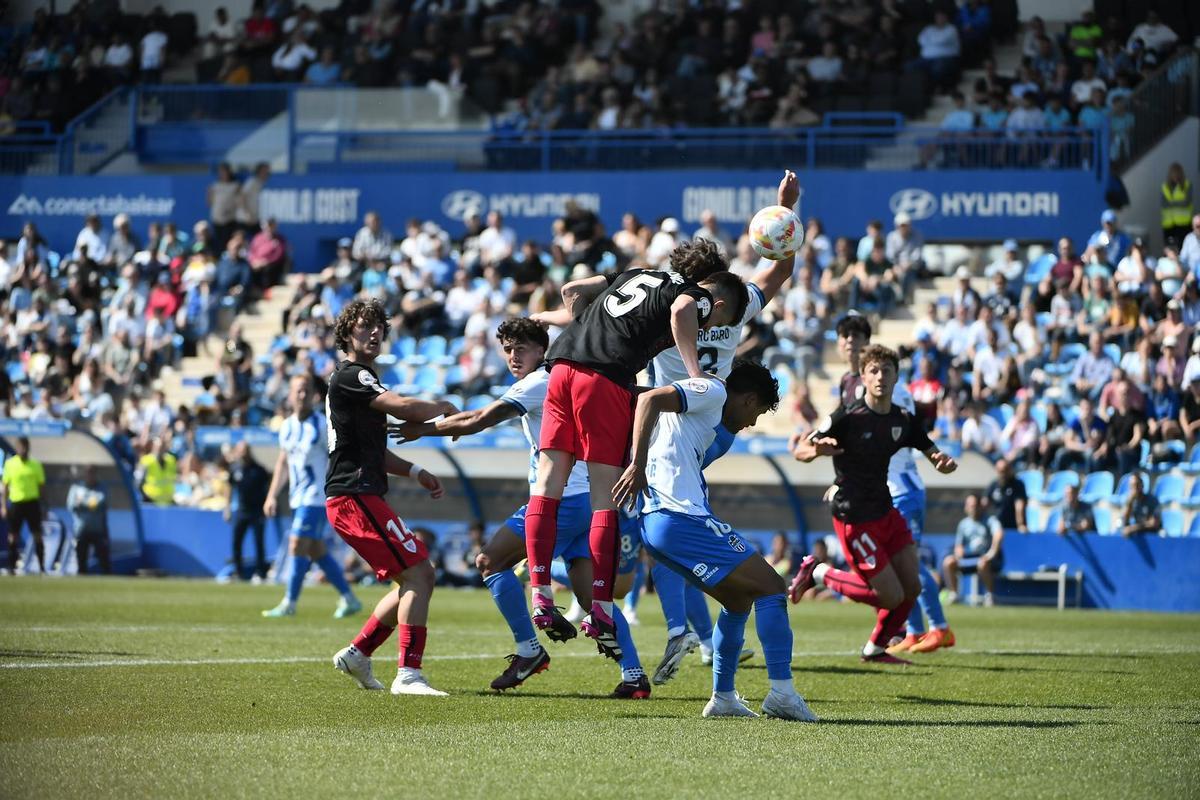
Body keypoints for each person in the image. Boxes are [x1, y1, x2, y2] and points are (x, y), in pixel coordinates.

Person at [391, 317, 647, 697]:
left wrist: (421, 430)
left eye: (521, 348)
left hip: (559, 503)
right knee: (592, 599)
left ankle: (529, 650)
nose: (513, 355)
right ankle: (634, 675)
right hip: (585, 503)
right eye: (508, 349)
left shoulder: (540, 381)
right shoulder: (558, 377)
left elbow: (479, 419)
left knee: (489, 561)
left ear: (542, 349)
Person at [521, 239, 747, 661]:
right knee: (604, 497)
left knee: (547, 487)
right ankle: (602, 610)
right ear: (712, 289)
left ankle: (540, 595)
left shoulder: (634, 273)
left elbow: (572, 291)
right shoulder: (694, 294)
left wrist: (570, 325)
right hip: (603, 378)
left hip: (561, 367)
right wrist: (695, 371)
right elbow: (682, 311)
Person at [613, 360, 817, 721]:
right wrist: (638, 464)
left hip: (659, 523)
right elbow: (649, 400)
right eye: (755, 411)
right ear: (748, 398)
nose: (752, 422)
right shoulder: (713, 390)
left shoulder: (701, 418)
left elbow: (642, 399)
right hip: (680, 518)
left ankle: (723, 697)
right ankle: (783, 693)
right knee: (772, 586)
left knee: (737, 600)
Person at [790, 345, 958, 663]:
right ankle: (818, 573)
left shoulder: (902, 419)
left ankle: (876, 648)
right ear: (864, 377)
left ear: (896, 378)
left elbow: (929, 448)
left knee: (911, 588)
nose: (881, 377)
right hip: (854, 516)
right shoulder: (846, 415)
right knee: (890, 595)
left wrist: (940, 461)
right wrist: (817, 451)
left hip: (886, 511)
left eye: (887, 371)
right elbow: (801, 449)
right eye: (874, 371)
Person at [326, 299, 456, 696]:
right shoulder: (353, 376)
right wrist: (443, 408)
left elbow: (374, 452)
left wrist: (416, 471)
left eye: (380, 326)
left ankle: (359, 653)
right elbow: (401, 407)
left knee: (410, 579)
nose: (374, 333)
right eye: (365, 326)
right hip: (354, 497)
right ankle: (409, 675)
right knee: (421, 573)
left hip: (356, 496)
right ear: (348, 333)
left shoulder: (358, 381)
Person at [261, 374, 362, 619]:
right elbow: (283, 463)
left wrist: (343, 485)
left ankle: (289, 603)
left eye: (306, 390)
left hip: (316, 497)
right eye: (298, 390)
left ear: (315, 395)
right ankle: (349, 599)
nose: (302, 395)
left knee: (297, 544)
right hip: (298, 497)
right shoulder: (286, 427)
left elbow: (340, 454)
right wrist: (272, 495)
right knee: (316, 550)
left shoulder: (321, 425)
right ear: (289, 395)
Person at [942, 493, 1004, 606]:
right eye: (970, 505)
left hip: (987, 558)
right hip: (969, 558)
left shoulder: (990, 520)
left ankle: (989, 596)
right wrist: (959, 551)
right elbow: (958, 545)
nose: (972, 508)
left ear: (981, 506)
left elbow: (998, 533)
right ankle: (954, 595)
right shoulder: (963, 524)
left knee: (983, 563)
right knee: (949, 562)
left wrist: (992, 552)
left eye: (975, 505)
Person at [225, 441, 271, 581]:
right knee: (236, 542)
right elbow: (230, 488)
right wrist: (227, 508)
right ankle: (238, 572)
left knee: (259, 542)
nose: (242, 453)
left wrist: (267, 504)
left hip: (257, 511)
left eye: (244, 450)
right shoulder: (235, 468)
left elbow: (267, 486)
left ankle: (260, 573)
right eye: (240, 450)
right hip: (242, 510)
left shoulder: (258, 469)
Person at [2, 437, 46, 575]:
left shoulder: (35, 464)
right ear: (17, 448)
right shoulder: (10, 464)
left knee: (37, 535)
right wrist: (3, 506)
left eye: (26, 447)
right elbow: (5, 487)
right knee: (13, 535)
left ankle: (42, 567)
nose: (24, 450)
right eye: (21, 447)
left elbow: (41, 487)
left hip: (32, 503)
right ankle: (12, 567)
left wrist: (44, 505)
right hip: (16, 503)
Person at [67, 465, 110, 574]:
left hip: (98, 530)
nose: (91, 475)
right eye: (89, 473)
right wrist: (89, 503)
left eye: (93, 473)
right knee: (81, 560)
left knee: (104, 560)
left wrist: (82, 503)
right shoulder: (77, 488)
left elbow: (100, 502)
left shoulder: (101, 488)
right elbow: (71, 505)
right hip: (81, 530)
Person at [985, 458, 1029, 534]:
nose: (1003, 474)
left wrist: (1021, 525)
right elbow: (985, 503)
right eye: (1000, 471)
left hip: (1013, 527)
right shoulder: (993, 485)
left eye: (1005, 470)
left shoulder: (1017, 485)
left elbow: (1019, 506)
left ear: (1009, 470)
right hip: (997, 528)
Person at [137, 435, 177, 507]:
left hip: (168, 501)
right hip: (150, 501)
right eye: (158, 447)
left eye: (162, 447)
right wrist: (145, 497)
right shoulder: (146, 461)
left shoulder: (171, 460)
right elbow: (138, 482)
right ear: (153, 448)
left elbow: (174, 479)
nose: (160, 449)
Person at [1161, 163, 1193, 247]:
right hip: (1169, 224)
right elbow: (1164, 204)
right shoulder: (1165, 187)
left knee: (1183, 247)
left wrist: (1172, 202)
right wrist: (1179, 202)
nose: (1175, 176)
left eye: (1177, 173)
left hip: (1184, 224)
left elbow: (1187, 202)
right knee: (1169, 248)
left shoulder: (1187, 185)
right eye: (1173, 173)